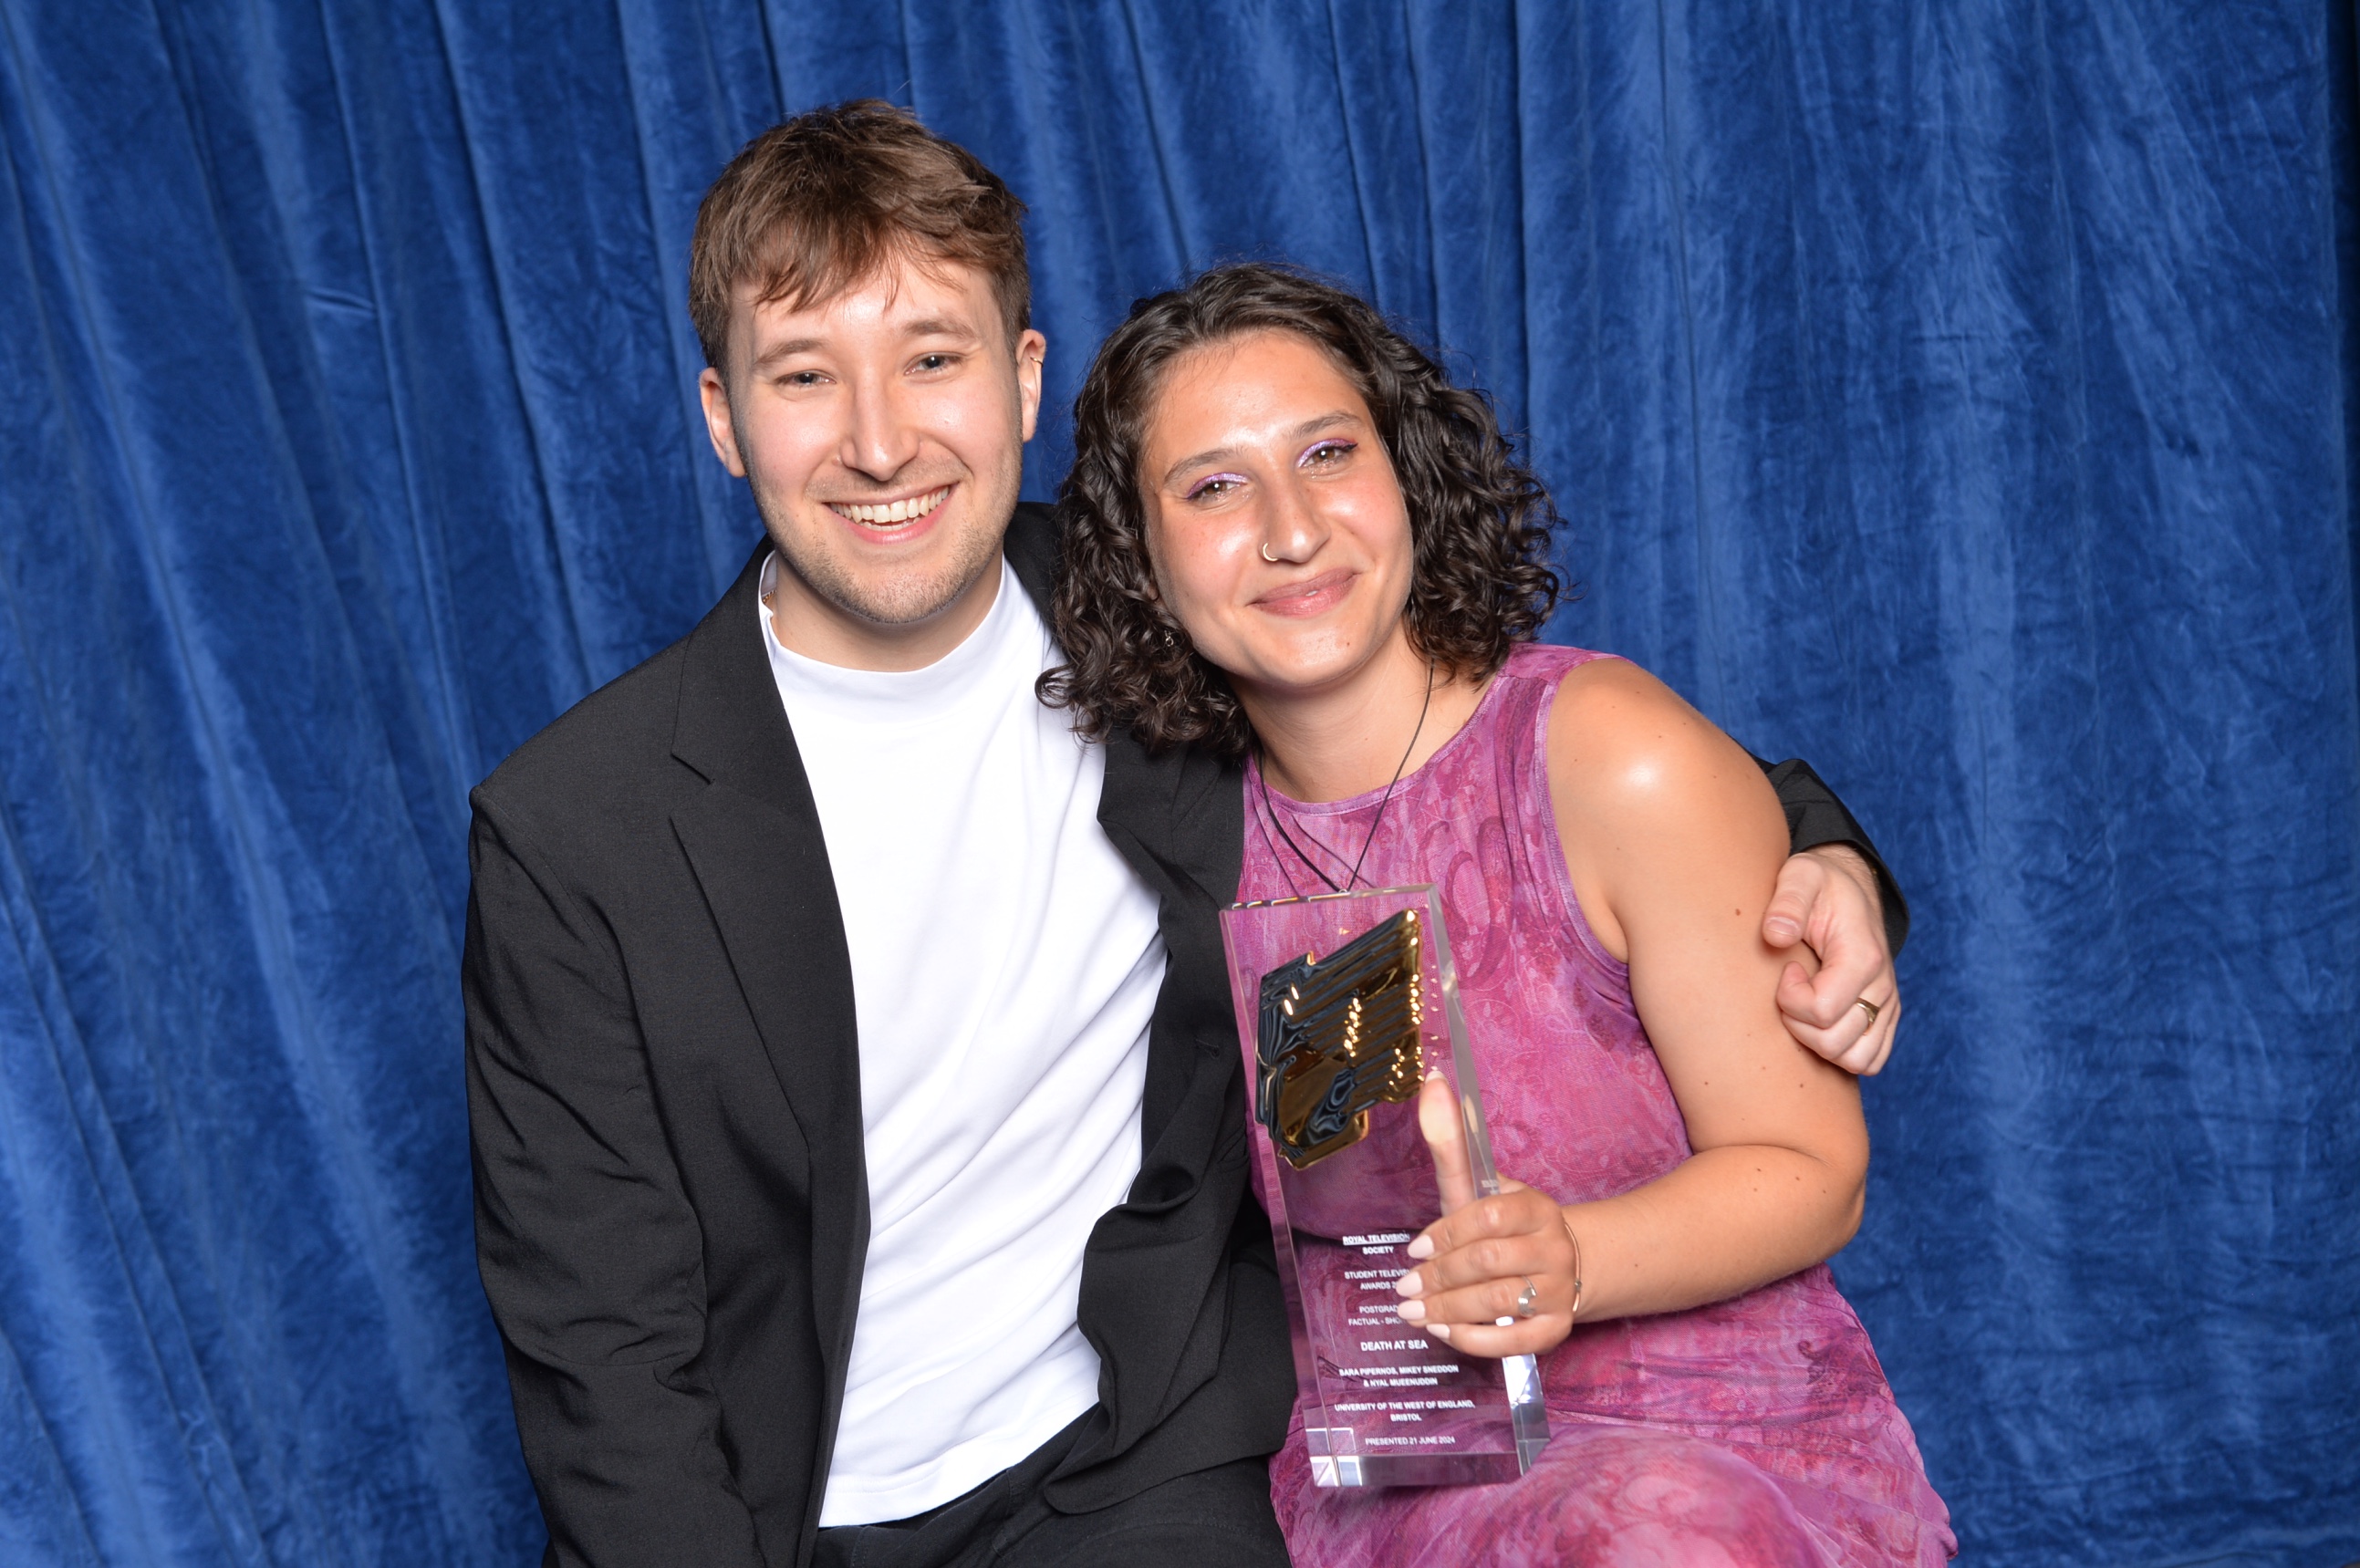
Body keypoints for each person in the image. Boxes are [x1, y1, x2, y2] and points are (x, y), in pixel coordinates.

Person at [463, 103, 1913, 1568]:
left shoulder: (1135, 626)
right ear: (721, 416)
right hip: (797, 1516)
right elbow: (605, 1362)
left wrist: (1821, 853)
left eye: (932, 358)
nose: (881, 440)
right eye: (804, 377)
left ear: (1022, 381)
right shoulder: (575, 834)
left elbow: (1486, 750)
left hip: (1137, 1465)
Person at [1043, 263, 1955, 1565]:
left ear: (1406, 470)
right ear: (1140, 554)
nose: (1293, 529)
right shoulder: (1178, 831)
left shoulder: (1605, 755)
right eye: (1215, 487)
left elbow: (1814, 1171)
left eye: (1327, 453)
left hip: (1706, 1451)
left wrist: (1569, 1258)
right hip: (1392, 1474)